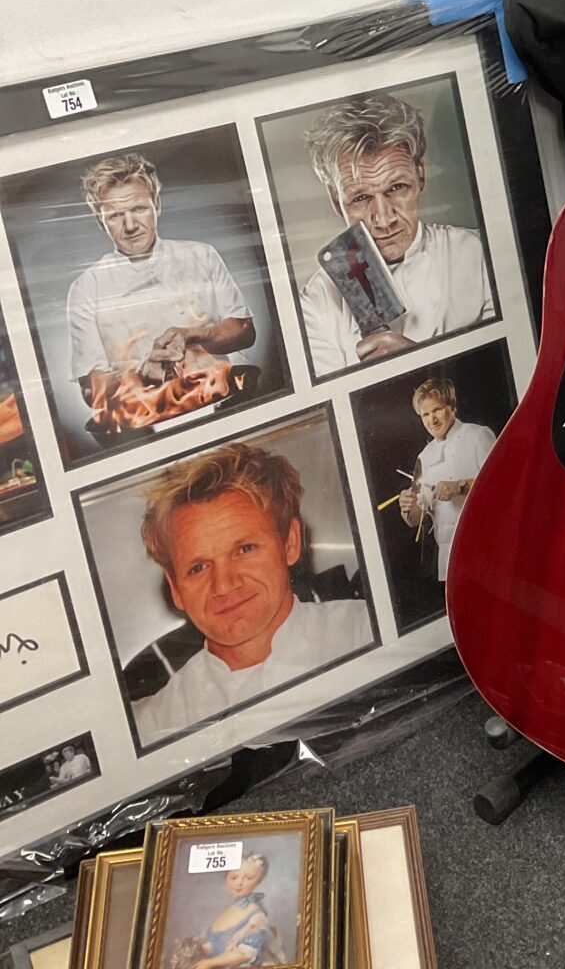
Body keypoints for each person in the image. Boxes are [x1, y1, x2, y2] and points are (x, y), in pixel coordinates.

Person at [132, 442, 371, 745]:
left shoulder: (366, 631)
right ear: (176, 589)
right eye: (199, 567)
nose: (224, 585)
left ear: (290, 543)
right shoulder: (149, 728)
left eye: (244, 549)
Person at [299, 93, 495, 375]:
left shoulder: (478, 255)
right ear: (335, 201)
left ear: (421, 176)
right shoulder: (318, 300)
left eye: (396, 188)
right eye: (361, 198)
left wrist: (420, 362)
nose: (384, 219)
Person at [66, 153, 255, 412]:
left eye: (139, 209)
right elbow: (91, 389)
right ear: (101, 221)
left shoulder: (201, 255)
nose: (130, 225)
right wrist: (141, 373)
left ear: (157, 205)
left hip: (222, 401)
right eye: (115, 216)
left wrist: (193, 335)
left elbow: (244, 331)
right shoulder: (86, 289)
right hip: (147, 424)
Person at [398, 376, 495, 580]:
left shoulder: (477, 436)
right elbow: (416, 518)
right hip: (449, 558)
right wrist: (408, 507)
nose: (431, 420)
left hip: (487, 547)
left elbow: (504, 484)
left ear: (452, 407)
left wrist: (460, 487)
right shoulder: (423, 457)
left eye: (437, 410)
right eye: (425, 414)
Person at [171, 850, 281, 969]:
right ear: (226, 877)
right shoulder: (229, 910)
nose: (239, 883)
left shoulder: (257, 916)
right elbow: (215, 946)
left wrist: (209, 963)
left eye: (248, 878)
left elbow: (245, 954)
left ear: (258, 881)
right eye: (234, 877)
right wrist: (185, 955)